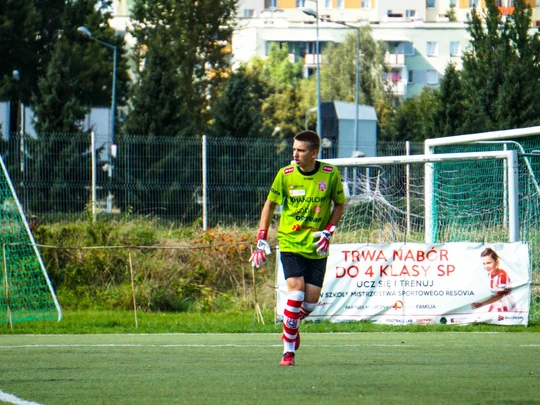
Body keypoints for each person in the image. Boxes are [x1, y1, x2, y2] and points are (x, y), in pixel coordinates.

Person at [249, 130, 346, 366]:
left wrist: (329, 230)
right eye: (294, 149)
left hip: (316, 245)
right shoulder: (285, 175)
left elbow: (340, 204)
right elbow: (269, 204)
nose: (295, 154)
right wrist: (262, 238)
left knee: (310, 303)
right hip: (290, 241)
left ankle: (289, 325)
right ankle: (288, 352)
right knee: (297, 293)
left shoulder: (329, 174)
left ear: (314, 153)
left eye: (300, 150)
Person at [471, 247, 516, 312]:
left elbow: (499, 296)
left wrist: (482, 304)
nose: (486, 266)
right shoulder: (489, 275)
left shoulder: (502, 275)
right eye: (484, 263)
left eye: (489, 263)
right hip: (495, 304)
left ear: (497, 262)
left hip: (505, 306)